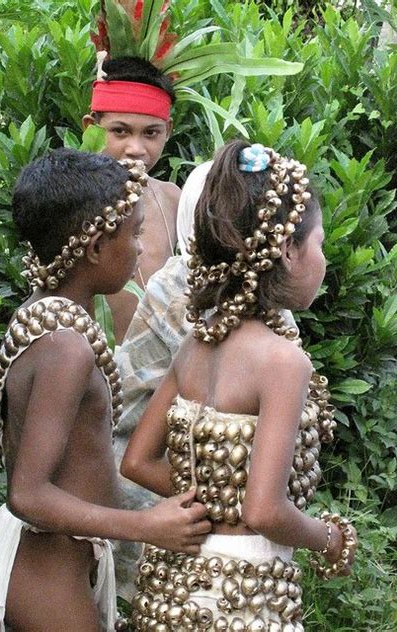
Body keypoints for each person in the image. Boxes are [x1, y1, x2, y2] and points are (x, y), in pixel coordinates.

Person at [0, 148, 210, 632]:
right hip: (43, 573)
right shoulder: (66, 349)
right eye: (135, 232)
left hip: (56, 562)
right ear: (96, 247)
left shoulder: (47, 318)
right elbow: (28, 494)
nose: (143, 247)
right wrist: (146, 526)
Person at [121, 140, 358, 630]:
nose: (324, 262)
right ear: (289, 252)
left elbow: (138, 462)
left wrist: (209, 505)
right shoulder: (283, 361)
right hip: (244, 593)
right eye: (321, 246)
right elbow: (265, 509)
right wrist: (332, 538)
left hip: (172, 582)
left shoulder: (196, 346)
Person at [83, 56, 181, 343]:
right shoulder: (73, 202)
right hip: (91, 367)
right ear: (91, 127)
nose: (136, 148)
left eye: (151, 133)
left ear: (168, 130)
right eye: (120, 131)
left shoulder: (172, 198)